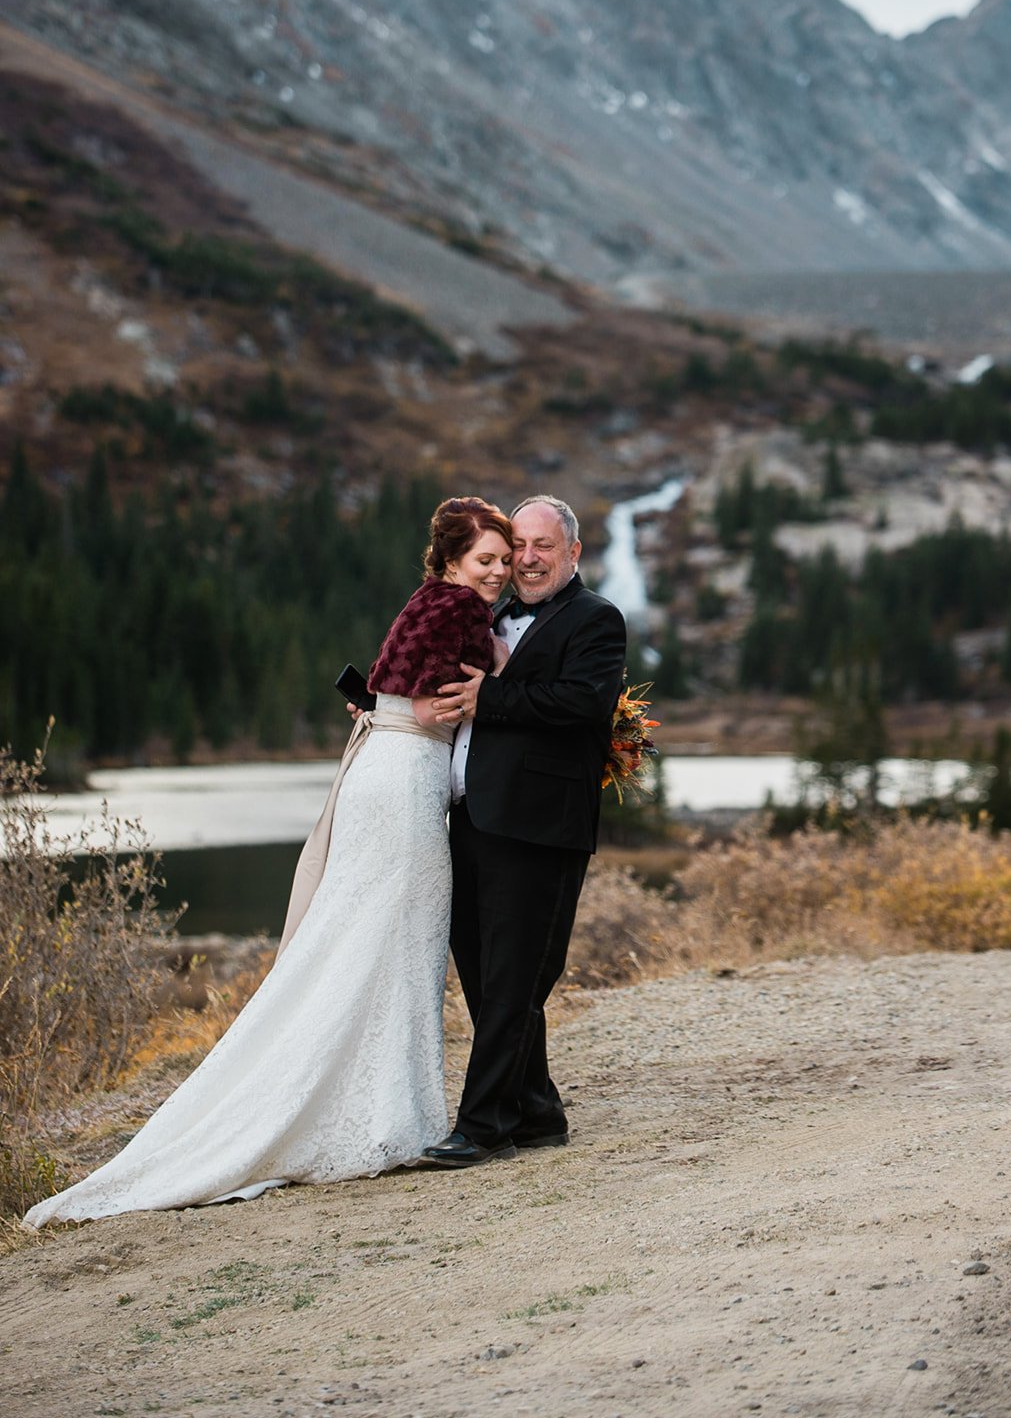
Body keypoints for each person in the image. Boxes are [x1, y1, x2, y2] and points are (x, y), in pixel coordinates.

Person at [23, 497, 513, 1227]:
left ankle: (368, 1104)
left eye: (505, 561)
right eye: (487, 560)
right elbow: (426, 712)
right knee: (398, 941)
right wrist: (495, 691)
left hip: (374, 774)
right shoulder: (465, 611)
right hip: (406, 777)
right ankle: (385, 1117)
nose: (499, 573)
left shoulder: (422, 602)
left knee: (357, 936)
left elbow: (388, 693)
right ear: (450, 560)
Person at [417, 494, 627, 1169]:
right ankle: (537, 1113)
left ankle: (482, 1128)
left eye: (542, 546)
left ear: (573, 553)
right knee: (484, 977)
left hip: (539, 827)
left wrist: (493, 697)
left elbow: (582, 703)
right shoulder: (491, 615)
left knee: (514, 981)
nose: (527, 560)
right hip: (472, 819)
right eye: (518, 548)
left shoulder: (596, 620)